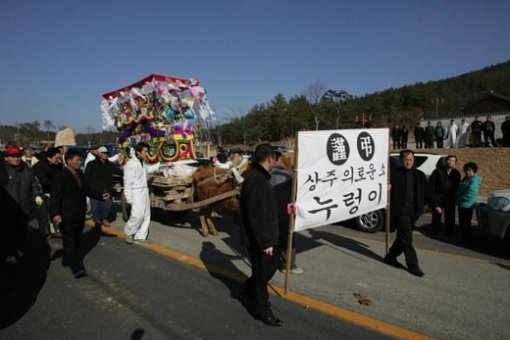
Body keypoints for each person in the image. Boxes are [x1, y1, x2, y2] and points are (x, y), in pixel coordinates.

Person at [239, 144, 282, 326]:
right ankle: (262, 310)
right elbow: (256, 215)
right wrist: (265, 242)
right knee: (261, 272)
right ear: (269, 159)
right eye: (275, 159)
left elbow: (267, 206)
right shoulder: (256, 179)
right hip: (259, 238)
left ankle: (247, 289)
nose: (276, 162)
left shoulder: (260, 178)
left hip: (265, 236)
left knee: (268, 267)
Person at [384, 149, 429, 277]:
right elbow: (382, 187)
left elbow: (427, 191)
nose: (408, 162)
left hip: (414, 211)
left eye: (410, 159)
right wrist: (387, 187)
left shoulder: (419, 175)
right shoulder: (393, 174)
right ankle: (413, 265)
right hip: (400, 210)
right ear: (401, 160)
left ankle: (390, 256)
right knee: (407, 238)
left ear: (414, 160)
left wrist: (435, 204)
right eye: (406, 160)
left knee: (402, 237)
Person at [50, 150, 88, 278]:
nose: (79, 162)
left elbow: (87, 189)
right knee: (70, 241)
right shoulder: (60, 177)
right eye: (77, 160)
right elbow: (55, 197)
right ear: (69, 161)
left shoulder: (80, 175)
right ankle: (76, 267)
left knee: (77, 240)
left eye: (79, 160)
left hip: (79, 214)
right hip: (66, 215)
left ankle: (66, 259)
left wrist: (100, 195)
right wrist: (55, 214)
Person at [3, 146, 42, 266]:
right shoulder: (3, 170)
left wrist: (37, 195)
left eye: (18, 156)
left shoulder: (27, 169)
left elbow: (34, 183)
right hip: (7, 207)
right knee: (9, 231)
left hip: (24, 205)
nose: (16, 158)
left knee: (21, 230)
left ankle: (15, 249)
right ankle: (9, 254)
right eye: (13, 156)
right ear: (6, 158)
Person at [270, 151, 302, 274]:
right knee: (288, 238)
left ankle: (282, 263)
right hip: (284, 212)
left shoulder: (270, 174)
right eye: (283, 159)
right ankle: (288, 265)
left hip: (276, 212)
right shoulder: (282, 175)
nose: (285, 161)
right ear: (276, 160)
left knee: (280, 238)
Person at [84, 146, 122, 230]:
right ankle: (97, 221)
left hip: (106, 188)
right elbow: (86, 177)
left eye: (107, 153)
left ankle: (104, 218)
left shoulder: (109, 164)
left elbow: (117, 171)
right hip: (95, 189)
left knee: (107, 205)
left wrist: (125, 169)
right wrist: (87, 188)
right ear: (99, 154)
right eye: (104, 153)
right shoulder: (91, 164)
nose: (106, 155)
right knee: (95, 206)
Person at [123, 142, 152, 244]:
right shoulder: (130, 164)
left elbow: (149, 169)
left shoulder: (142, 162)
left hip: (144, 191)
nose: (147, 153)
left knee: (146, 215)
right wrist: (129, 199)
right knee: (137, 215)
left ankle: (141, 235)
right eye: (145, 151)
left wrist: (160, 165)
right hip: (136, 193)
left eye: (147, 151)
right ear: (138, 152)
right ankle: (129, 233)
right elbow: (127, 183)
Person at [33, 147, 63, 238]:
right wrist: (57, 184)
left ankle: (56, 230)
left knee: (55, 212)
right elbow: (43, 181)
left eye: (59, 158)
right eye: (56, 158)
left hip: (55, 192)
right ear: (49, 158)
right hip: (42, 194)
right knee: (44, 214)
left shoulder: (58, 165)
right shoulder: (39, 166)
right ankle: (46, 232)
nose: (58, 160)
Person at [456, 162, 481, 245]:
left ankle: (467, 239)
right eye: (466, 170)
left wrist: (462, 199)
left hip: (467, 205)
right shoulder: (466, 179)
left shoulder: (474, 180)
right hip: (461, 204)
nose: (468, 172)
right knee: (463, 222)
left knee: (466, 222)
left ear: (474, 171)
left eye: (470, 170)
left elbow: (471, 193)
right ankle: (465, 238)